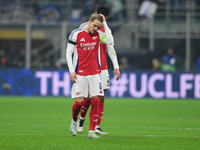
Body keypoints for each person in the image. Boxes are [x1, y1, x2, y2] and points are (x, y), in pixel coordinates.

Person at [66, 13, 114, 139]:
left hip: (95, 73)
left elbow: (109, 41)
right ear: (89, 21)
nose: (95, 29)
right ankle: (74, 120)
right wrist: (72, 71)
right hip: (80, 74)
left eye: (98, 27)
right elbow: (68, 53)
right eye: (94, 26)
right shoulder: (76, 34)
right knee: (79, 103)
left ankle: (91, 131)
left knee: (95, 100)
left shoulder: (99, 34)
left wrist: (105, 25)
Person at [76, 5, 120, 135]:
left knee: (101, 96)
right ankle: (82, 119)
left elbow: (110, 46)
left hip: (104, 67)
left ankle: (96, 125)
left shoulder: (104, 29)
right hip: (91, 67)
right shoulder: (86, 27)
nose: (101, 21)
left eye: (104, 18)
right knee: (89, 97)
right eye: (101, 17)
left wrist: (116, 66)